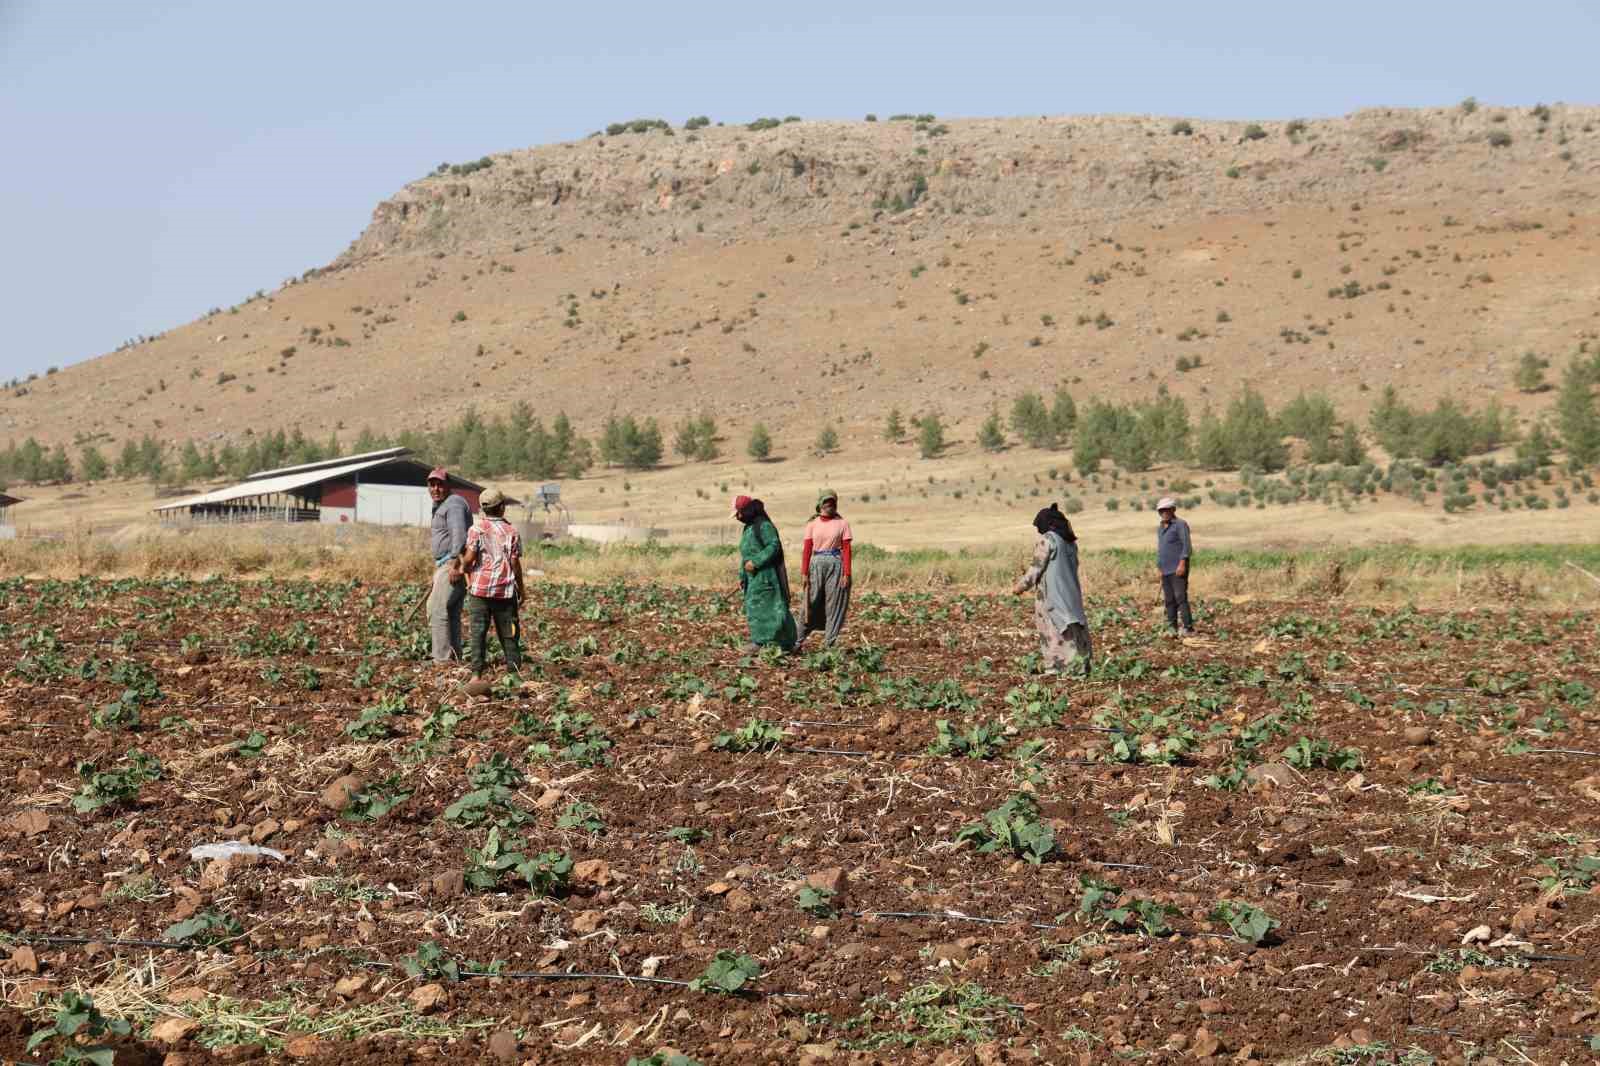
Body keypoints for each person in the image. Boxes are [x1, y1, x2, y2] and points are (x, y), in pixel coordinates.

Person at [1012, 503, 1092, 674]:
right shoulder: (1070, 542)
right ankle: (1080, 665)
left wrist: (1019, 587)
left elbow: (1036, 569)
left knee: (1052, 631)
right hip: (1071, 592)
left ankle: (1056, 667)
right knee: (1073, 626)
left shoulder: (1048, 539)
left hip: (1051, 595)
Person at [458, 487, 524, 681]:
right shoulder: (512, 531)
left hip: (479, 592)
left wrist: (463, 565)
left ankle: (476, 675)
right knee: (510, 635)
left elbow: (469, 559)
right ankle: (514, 676)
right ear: (502, 507)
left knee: (478, 633)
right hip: (505, 593)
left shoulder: (476, 529)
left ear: (483, 509)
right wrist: (522, 589)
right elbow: (515, 563)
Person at [733, 495, 797, 652]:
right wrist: (742, 577)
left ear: (747, 511)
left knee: (773, 609)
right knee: (755, 609)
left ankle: (774, 643)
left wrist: (755, 562)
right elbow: (746, 555)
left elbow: (774, 546)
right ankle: (764, 642)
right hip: (752, 578)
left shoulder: (763, 526)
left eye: (739, 513)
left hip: (766, 577)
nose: (737, 517)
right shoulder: (748, 527)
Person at [426, 467, 471, 662]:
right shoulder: (442, 505)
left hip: (452, 563)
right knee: (450, 612)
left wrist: (455, 566)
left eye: (440, 484)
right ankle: (453, 657)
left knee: (437, 610)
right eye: (432, 484)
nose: (436, 488)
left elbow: (459, 535)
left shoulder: (453, 504)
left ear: (448, 485)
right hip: (444, 564)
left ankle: (442, 660)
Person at [799, 489, 853, 648]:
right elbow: (807, 549)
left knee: (834, 603)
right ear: (820, 504)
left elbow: (847, 550)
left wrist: (847, 573)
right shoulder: (812, 524)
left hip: (836, 564)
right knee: (810, 601)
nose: (830, 505)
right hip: (816, 564)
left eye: (833, 502)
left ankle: (830, 643)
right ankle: (796, 641)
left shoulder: (842, 524)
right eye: (827, 502)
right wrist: (804, 573)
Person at [1156, 496, 1195, 637]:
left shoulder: (1180, 524)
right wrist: (1159, 567)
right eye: (1161, 511)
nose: (1164, 513)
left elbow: (1186, 546)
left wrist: (1182, 563)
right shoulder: (1160, 528)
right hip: (1165, 569)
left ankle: (1188, 627)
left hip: (1178, 568)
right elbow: (1160, 549)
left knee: (1180, 597)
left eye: (1167, 510)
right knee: (1169, 600)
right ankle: (1172, 627)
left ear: (1173, 510)